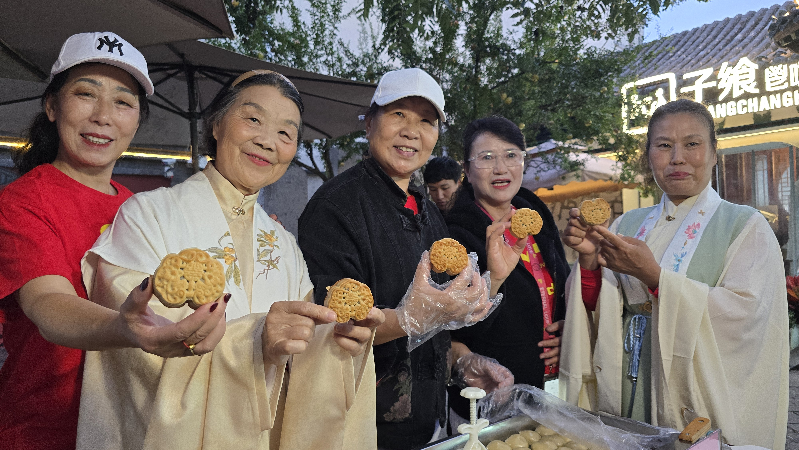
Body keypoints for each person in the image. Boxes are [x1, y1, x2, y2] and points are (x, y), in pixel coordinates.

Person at [77, 69, 384, 449]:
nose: (267, 141)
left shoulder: (284, 245)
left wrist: (339, 342)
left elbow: (304, 351)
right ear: (217, 125)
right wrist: (255, 342)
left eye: (286, 133)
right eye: (253, 119)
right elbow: (135, 345)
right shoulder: (147, 215)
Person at [0, 32, 228, 450]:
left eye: (123, 102)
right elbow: (48, 304)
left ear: (138, 119)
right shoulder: (21, 202)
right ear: (52, 106)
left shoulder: (140, 209)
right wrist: (125, 327)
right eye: (86, 94)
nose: (103, 116)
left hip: (133, 425)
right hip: (48, 430)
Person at [298, 68, 523, 449]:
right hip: (361, 430)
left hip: (431, 425)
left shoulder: (427, 209)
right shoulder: (335, 208)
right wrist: (406, 318)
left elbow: (437, 319)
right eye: (398, 114)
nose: (411, 131)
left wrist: (462, 359)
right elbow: (332, 329)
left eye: (426, 121)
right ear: (369, 123)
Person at [559, 99, 789, 449]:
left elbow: (749, 319)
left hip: (698, 398)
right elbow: (600, 309)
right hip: (629, 384)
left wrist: (657, 279)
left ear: (714, 153)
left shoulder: (745, 226)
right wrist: (589, 261)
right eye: (664, 145)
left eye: (692, 144)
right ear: (648, 155)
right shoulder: (628, 224)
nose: (677, 157)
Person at [445, 116, 569, 424]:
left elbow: (560, 289)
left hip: (554, 391)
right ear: (467, 170)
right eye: (487, 158)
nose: (501, 168)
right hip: (490, 400)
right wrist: (494, 280)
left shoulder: (538, 220)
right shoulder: (453, 236)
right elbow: (452, 329)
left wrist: (570, 329)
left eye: (511, 155)